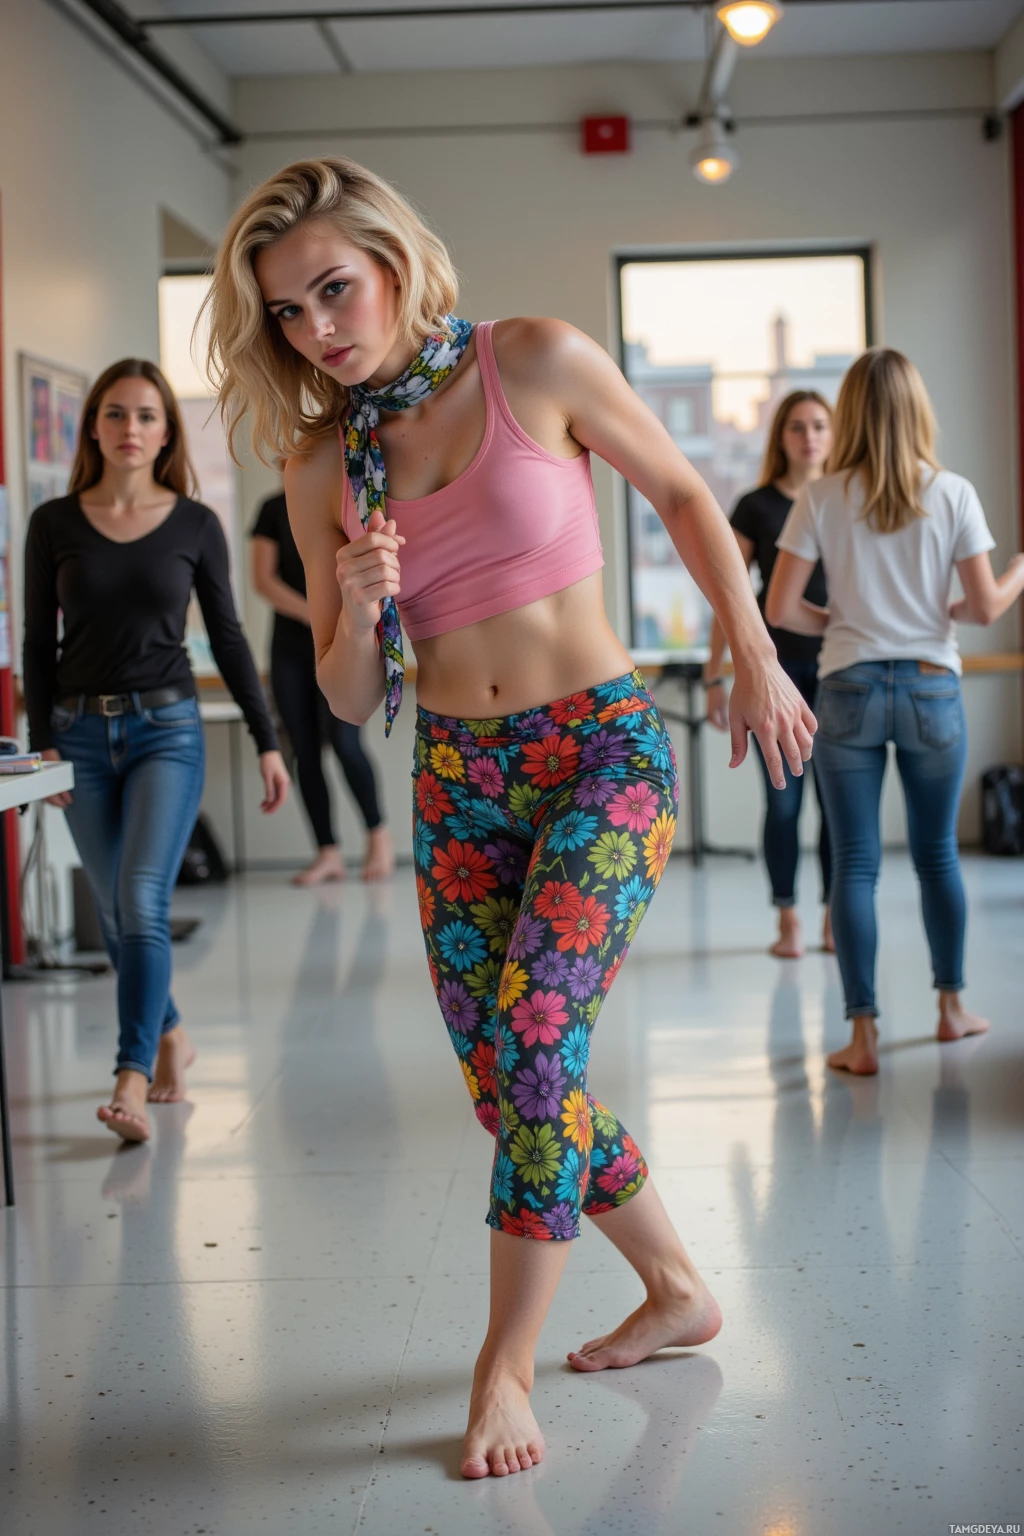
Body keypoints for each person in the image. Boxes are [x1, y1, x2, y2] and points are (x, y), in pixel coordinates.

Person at [204, 156, 815, 1481]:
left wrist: (752, 647)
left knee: (537, 1045)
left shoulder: (532, 359)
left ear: (394, 258)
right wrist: (357, 603)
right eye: (290, 314)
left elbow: (687, 496)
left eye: (335, 289)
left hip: (600, 750)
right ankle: (676, 1291)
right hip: (456, 778)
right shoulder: (325, 464)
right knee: (509, 1088)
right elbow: (352, 692)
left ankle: (504, 1368)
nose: (320, 329)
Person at [22, 359, 290, 1144]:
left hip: (167, 731)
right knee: (113, 909)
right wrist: (43, 747)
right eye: (115, 414)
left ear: (166, 431)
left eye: (145, 415)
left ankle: (130, 1076)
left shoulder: (195, 525)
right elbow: (41, 643)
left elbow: (233, 639)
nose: (130, 429)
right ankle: (172, 1033)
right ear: (94, 427)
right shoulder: (54, 523)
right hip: (76, 733)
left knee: (139, 901)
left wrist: (266, 739)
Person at [767, 347, 1024, 1075]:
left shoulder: (820, 496)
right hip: (931, 688)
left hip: (845, 689)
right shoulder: (952, 492)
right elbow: (979, 608)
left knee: (855, 864)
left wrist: (848, 622)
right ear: (918, 410)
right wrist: (1016, 575)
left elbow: (782, 609)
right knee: (938, 856)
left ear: (848, 414)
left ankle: (862, 1036)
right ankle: (949, 1011)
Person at [705, 391, 834, 957]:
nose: (810, 437)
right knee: (784, 802)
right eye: (798, 427)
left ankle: (833, 916)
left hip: (838, 670)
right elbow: (727, 593)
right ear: (781, 436)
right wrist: (717, 673)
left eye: (820, 427)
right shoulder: (755, 505)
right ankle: (788, 919)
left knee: (836, 802)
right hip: (775, 675)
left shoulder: (844, 497)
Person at [251, 486, 393, 883]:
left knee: (347, 744)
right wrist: (309, 614)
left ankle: (377, 836)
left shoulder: (345, 500)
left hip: (343, 642)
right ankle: (327, 851)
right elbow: (263, 580)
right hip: (290, 652)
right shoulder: (271, 507)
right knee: (305, 752)